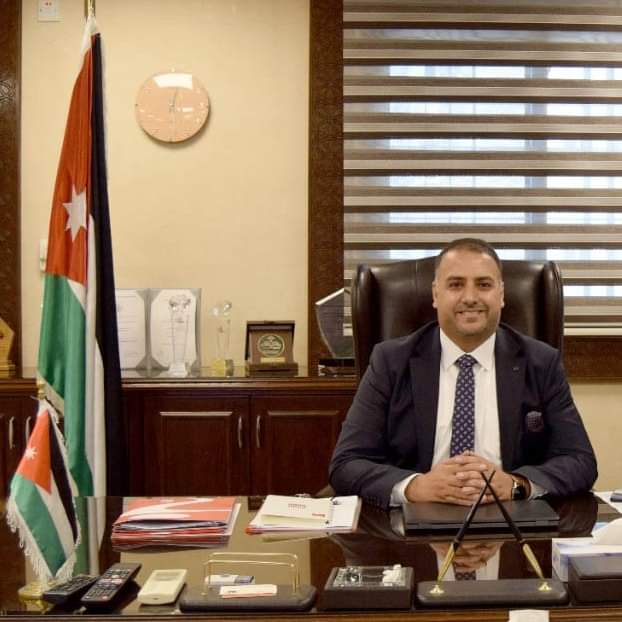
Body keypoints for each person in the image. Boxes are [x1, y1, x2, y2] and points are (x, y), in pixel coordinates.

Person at [329, 238, 597, 509]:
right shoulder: (391, 362)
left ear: (502, 294)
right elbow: (347, 463)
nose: (470, 298)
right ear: (435, 295)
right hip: (415, 520)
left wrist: (516, 484)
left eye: (484, 285)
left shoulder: (541, 362)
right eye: (456, 285)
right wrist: (415, 486)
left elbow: (580, 461)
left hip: (511, 518)